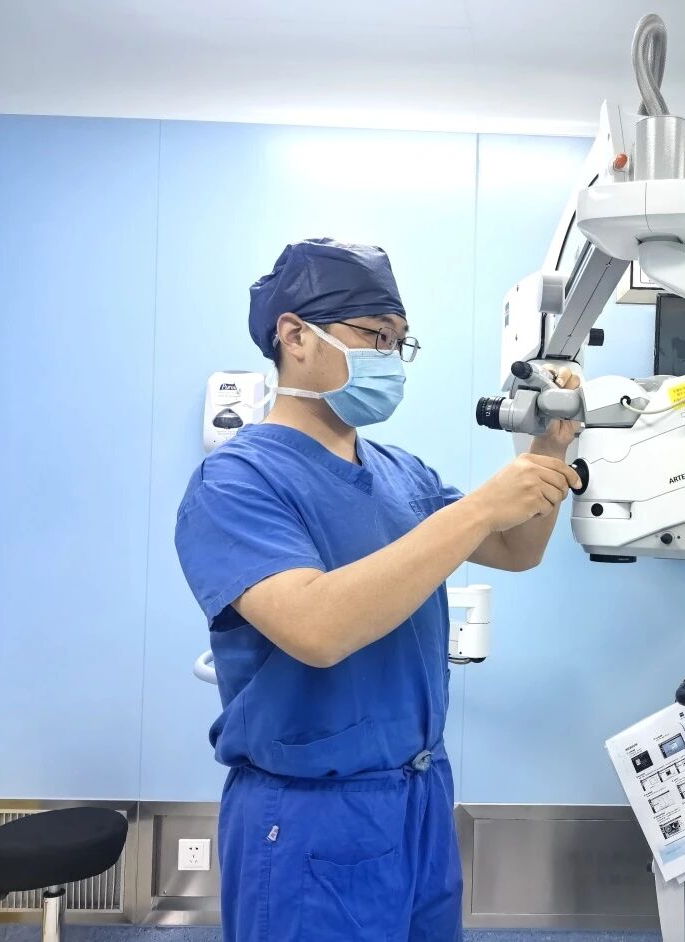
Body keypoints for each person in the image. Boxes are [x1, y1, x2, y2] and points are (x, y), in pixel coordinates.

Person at [174, 238, 581, 942]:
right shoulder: (237, 481)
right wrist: (480, 507)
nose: (390, 359)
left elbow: (518, 550)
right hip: (309, 813)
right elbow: (316, 628)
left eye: (400, 342)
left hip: (418, 796)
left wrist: (549, 448)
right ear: (295, 336)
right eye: (375, 336)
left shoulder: (402, 473)